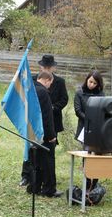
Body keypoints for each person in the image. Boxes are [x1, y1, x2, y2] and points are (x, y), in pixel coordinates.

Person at [20, 55, 68, 186]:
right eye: (44, 66)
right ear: (41, 67)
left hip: (51, 120)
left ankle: (46, 177)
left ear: (53, 67)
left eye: (49, 67)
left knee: (48, 151)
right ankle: (27, 176)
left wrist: (52, 108)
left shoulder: (59, 81)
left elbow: (64, 99)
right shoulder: (33, 80)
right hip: (34, 120)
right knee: (31, 149)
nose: (46, 68)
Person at [26, 71, 62, 198]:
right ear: (47, 80)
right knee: (48, 161)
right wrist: (51, 135)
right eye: (50, 84)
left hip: (31, 131)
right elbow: (47, 116)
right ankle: (49, 189)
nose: (50, 86)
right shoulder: (43, 92)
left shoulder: (31, 89)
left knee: (35, 160)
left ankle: (34, 186)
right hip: (44, 134)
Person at [74, 70, 105, 190]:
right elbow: (78, 111)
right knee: (86, 154)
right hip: (84, 128)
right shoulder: (79, 93)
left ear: (98, 84)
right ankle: (87, 181)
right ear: (87, 79)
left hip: (98, 128)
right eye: (90, 81)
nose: (91, 84)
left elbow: (104, 110)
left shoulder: (101, 95)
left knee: (97, 154)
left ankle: (95, 182)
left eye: (94, 83)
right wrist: (89, 120)